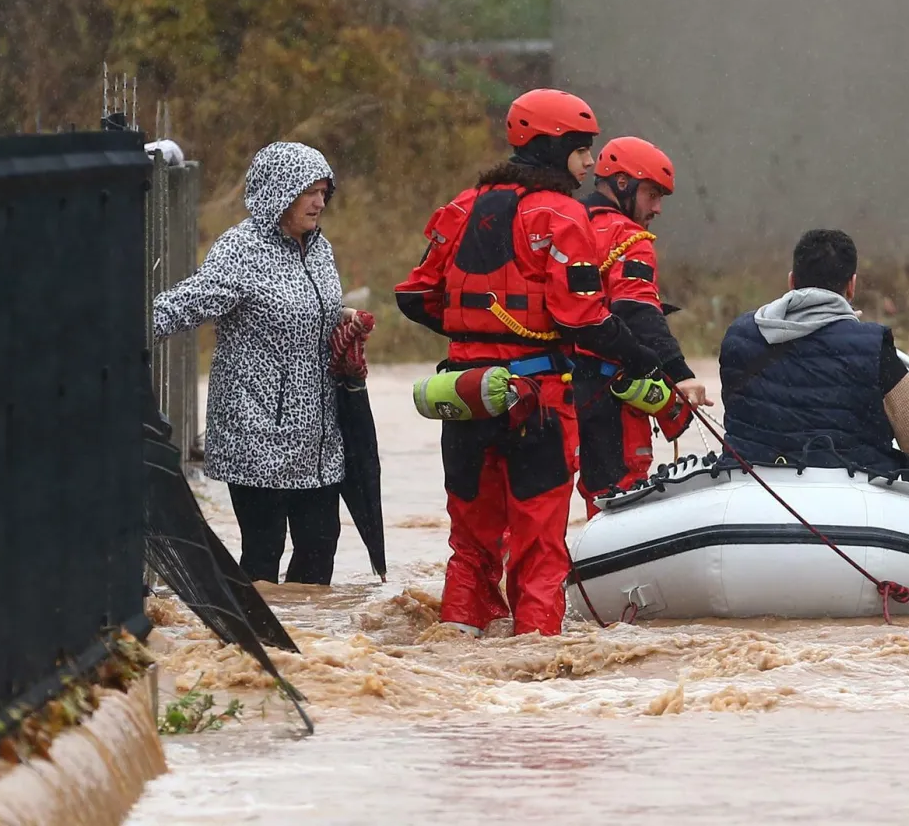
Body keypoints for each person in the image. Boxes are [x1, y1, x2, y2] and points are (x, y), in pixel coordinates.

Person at [394, 88, 663, 638]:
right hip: (538, 403)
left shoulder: (458, 209)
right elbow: (585, 319)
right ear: (552, 147)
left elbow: (415, 296)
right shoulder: (562, 215)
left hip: (466, 394)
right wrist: (645, 360)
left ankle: (457, 643)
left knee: (470, 545)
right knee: (539, 546)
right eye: (582, 149)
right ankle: (536, 656)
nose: (590, 162)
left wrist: (475, 333)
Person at [153, 141, 365, 586]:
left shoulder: (319, 248)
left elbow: (305, 308)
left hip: (317, 437)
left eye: (324, 192)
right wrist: (118, 332)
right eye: (308, 192)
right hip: (256, 431)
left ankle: (308, 633)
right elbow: (188, 303)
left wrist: (341, 317)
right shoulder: (241, 249)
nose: (319, 203)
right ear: (278, 191)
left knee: (320, 546)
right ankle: (258, 631)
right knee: (263, 554)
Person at [720, 229, 909, 471]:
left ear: (791, 281)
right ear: (851, 286)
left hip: (748, 477)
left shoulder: (739, 334)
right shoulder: (873, 346)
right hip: (847, 484)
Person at [573, 136, 712, 518]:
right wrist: (680, 373)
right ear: (622, 183)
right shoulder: (628, 238)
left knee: (536, 504)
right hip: (606, 395)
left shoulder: (560, 221)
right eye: (652, 194)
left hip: (547, 388)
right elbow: (636, 310)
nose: (657, 208)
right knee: (618, 501)